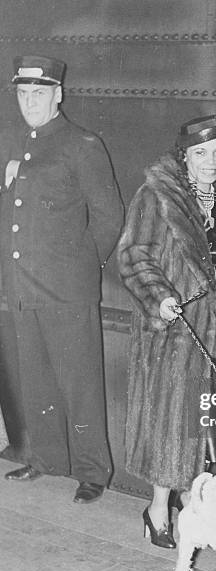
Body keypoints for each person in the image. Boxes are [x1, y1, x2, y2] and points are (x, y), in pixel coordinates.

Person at [118, 115, 216, 548]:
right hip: (176, 328)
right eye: (201, 153)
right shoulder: (158, 194)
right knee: (174, 425)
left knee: (212, 428)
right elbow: (132, 255)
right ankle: (157, 508)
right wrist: (160, 297)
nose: (211, 162)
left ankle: (200, 509)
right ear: (184, 155)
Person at [0, 55, 124, 503]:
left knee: (80, 381)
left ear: (58, 95)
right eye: (22, 93)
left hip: (67, 289)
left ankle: (93, 471)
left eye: (39, 93)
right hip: (22, 286)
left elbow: (110, 217)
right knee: (35, 378)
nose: (30, 102)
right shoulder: (16, 140)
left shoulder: (81, 144)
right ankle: (46, 459)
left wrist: (81, 267)